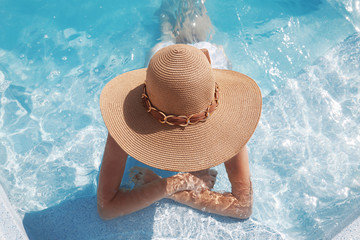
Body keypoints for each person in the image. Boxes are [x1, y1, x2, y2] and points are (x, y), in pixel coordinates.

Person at [97, 44, 262, 220]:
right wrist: (180, 182)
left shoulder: (230, 118)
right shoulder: (130, 114)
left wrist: (167, 188)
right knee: (163, 35)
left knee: (197, 26)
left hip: (201, 69)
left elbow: (243, 207)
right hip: (165, 70)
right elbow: (106, 207)